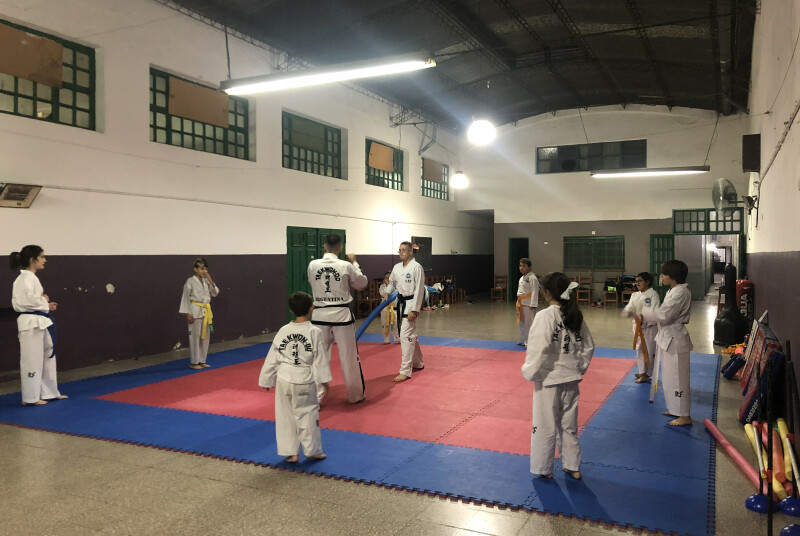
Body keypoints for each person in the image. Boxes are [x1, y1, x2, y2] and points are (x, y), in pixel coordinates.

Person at [522, 272, 594, 479]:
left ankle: (543, 468)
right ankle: (572, 465)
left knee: (544, 425)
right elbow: (588, 347)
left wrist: (530, 371)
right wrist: (578, 367)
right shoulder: (575, 315)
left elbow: (539, 349)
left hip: (549, 379)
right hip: (571, 377)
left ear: (547, 293)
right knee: (568, 425)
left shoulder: (545, 316)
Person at [259, 292, 330, 463]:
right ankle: (312, 450)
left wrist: (266, 379)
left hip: (284, 378)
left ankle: (291, 452)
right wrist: (324, 381)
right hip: (304, 379)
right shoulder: (314, 332)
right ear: (311, 308)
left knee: (285, 415)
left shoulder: (283, 330)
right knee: (308, 414)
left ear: (291, 310)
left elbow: (273, 356)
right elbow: (320, 359)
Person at [307, 234, 368, 403]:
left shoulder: (313, 265)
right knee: (349, 357)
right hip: (341, 316)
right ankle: (355, 395)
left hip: (320, 316)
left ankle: (317, 397)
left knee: (319, 357)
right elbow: (361, 284)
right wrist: (355, 263)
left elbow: (312, 283)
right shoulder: (345, 265)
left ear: (325, 246)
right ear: (340, 247)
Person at [10, 245, 68, 406]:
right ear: (32, 259)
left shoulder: (32, 278)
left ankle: (49, 392)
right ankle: (30, 397)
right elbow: (25, 302)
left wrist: (45, 304)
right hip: (31, 323)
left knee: (48, 356)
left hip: (40, 321)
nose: (45, 260)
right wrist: (44, 301)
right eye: (42, 257)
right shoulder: (24, 279)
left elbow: (34, 301)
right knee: (32, 360)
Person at [638, 260, 693, 427]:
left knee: (678, 377)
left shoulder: (680, 292)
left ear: (672, 276)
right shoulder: (673, 290)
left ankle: (684, 415)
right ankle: (675, 408)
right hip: (668, 337)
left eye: (664, 274)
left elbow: (664, 315)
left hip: (676, 338)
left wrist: (644, 313)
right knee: (669, 377)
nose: (661, 276)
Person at [385, 241, 425, 382]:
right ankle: (418, 362)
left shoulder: (417, 267)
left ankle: (405, 370)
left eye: (404, 250)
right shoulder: (396, 267)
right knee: (409, 335)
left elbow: (420, 288)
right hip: (400, 303)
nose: (401, 252)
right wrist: (387, 292)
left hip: (411, 303)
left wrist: (415, 309)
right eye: (400, 250)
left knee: (405, 335)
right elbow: (392, 283)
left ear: (410, 252)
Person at [179, 258, 219, 370]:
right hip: (194, 311)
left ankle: (202, 360)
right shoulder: (190, 281)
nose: (204, 271)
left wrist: (210, 280)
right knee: (195, 338)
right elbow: (185, 297)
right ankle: (194, 362)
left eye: (205, 269)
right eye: (201, 269)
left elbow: (215, 293)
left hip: (206, 311)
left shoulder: (207, 281)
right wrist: (187, 314)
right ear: (195, 269)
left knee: (205, 337)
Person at [622, 272, 660, 383]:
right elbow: (629, 308)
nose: (637, 283)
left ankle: (648, 373)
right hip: (638, 327)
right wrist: (628, 312)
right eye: (636, 281)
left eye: (640, 281)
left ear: (647, 282)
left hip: (650, 327)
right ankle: (642, 372)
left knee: (649, 351)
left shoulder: (653, 294)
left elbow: (655, 311)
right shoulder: (635, 295)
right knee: (639, 350)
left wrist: (643, 317)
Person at [516, 258, 540, 347]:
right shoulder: (521, 278)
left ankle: (529, 342)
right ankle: (522, 339)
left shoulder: (532, 278)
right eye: (520, 266)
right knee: (521, 322)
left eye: (524, 266)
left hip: (528, 304)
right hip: (521, 303)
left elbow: (535, 291)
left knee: (529, 324)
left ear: (529, 267)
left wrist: (533, 304)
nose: (521, 268)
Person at [379, 271, 398, 344]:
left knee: (396, 324)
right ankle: (386, 339)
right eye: (386, 278)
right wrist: (387, 286)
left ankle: (397, 338)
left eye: (389, 278)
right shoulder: (382, 286)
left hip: (394, 308)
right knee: (385, 325)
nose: (388, 279)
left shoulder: (395, 286)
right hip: (385, 309)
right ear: (384, 279)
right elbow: (383, 294)